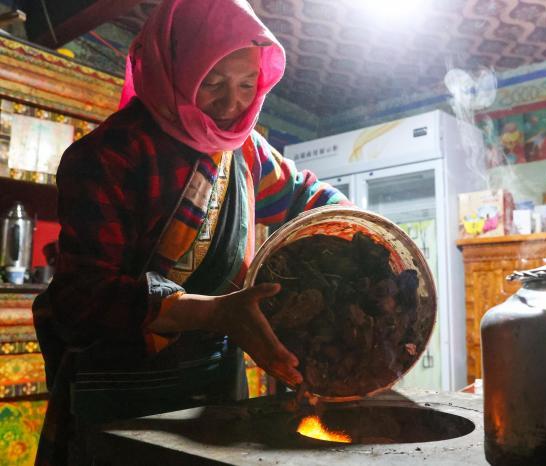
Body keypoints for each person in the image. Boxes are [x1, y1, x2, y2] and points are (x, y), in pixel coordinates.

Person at [31, 0, 349, 464]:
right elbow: (84, 298)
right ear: (172, 68)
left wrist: (357, 226)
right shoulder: (107, 156)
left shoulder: (246, 151)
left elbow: (303, 195)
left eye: (247, 84)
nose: (232, 104)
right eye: (213, 82)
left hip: (216, 385)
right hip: (124, 391)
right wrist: (215, 313)